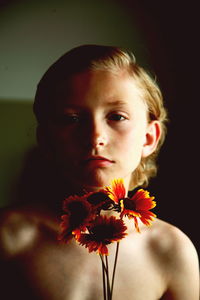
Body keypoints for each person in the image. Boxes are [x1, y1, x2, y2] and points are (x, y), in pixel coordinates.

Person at [0, 44, 199, 300]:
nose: (95, 137)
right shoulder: (9, 238)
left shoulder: (171, 251)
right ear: (47, 140)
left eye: (116, 117)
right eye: (72, 119)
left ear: (149, 138)